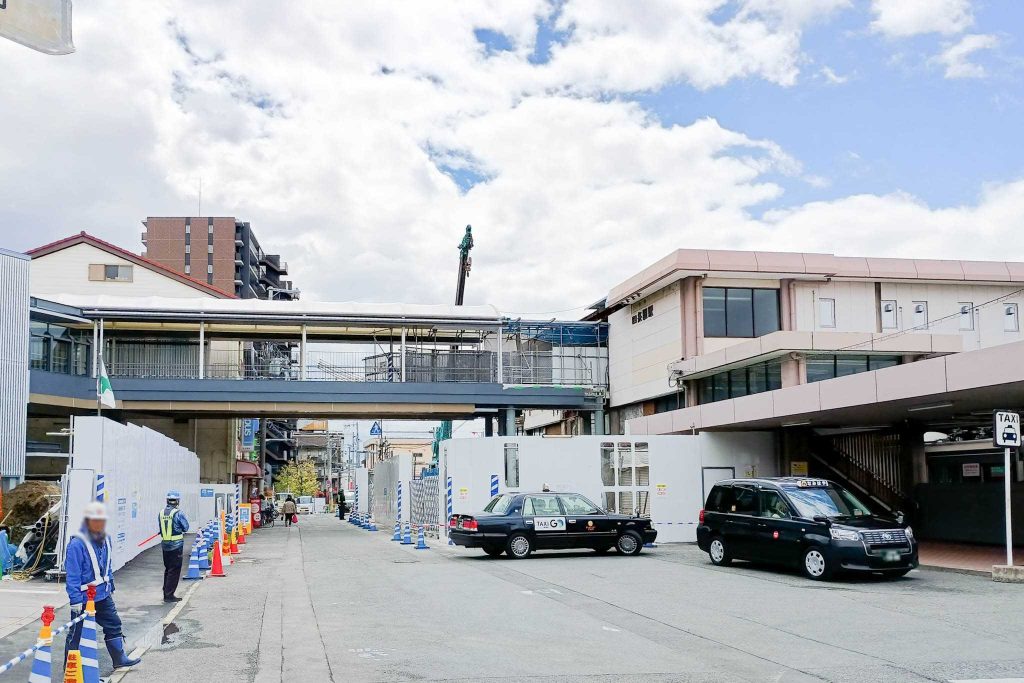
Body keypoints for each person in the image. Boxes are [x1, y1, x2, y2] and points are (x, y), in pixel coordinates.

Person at [65, 502, 142, 670]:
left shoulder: (106, 539)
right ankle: (70, 671)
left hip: (103, 595)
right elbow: (72, 575)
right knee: (77, 635)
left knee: (113, 624)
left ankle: (119, 658)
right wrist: (75, 599)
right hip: (84, 598)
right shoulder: (77, 544)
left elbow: (107, 566)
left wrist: (110, 584)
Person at [158, 490, 189, 603]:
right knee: (174, 570)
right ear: (177, 501)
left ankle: (166, 593)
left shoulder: (161, 513)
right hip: (176, 546)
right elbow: (186, 527)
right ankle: (169, 595)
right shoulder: (178, 513)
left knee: (168, 569)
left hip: (165, 545)